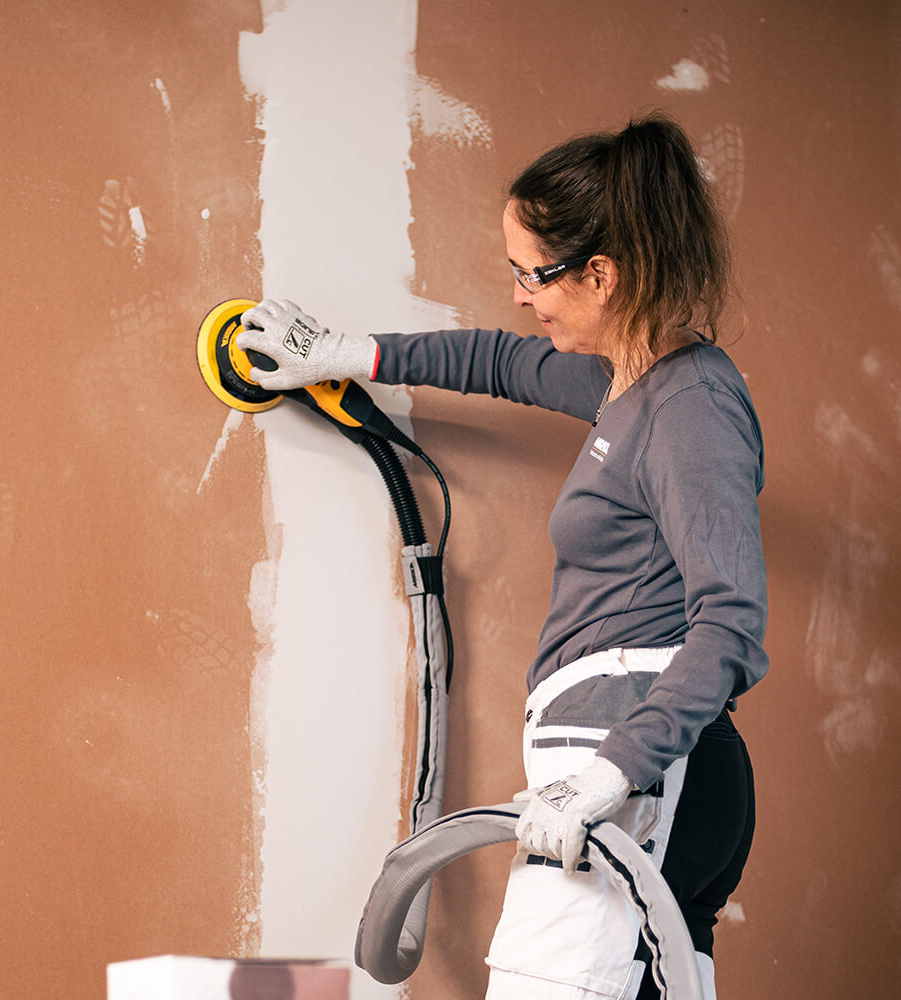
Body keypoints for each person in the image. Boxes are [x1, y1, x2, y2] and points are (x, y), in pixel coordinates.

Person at [237, 114, 767, 1000]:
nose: (520, 295)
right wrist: (344, 355)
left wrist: (611, 773)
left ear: (601, 274)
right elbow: (500, 363)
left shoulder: (690, 408)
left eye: (532, 274)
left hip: (639, 766)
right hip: (629, 766)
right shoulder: (629, 380)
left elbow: (732, 622)